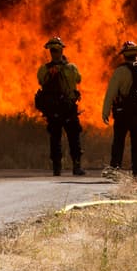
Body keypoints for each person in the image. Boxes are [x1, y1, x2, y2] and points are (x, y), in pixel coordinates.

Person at [102, 40, 137, 180]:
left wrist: (105, 112)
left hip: (123, 114)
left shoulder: (120, 71)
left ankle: (115, 171)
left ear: (124, 55)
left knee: (119, 142)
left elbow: (111, 93)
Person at [35, 37, 84, 176]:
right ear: (62, 50)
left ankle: (57, 168)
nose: (54, 52)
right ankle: (76, 166)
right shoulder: (71, 68)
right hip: (67, 109)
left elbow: (40, 81)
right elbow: (79, 79)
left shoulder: (44, 69)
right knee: (73, 138)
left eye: (53, 50)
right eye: (54, 50)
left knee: (55, 139)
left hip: (54, 110)